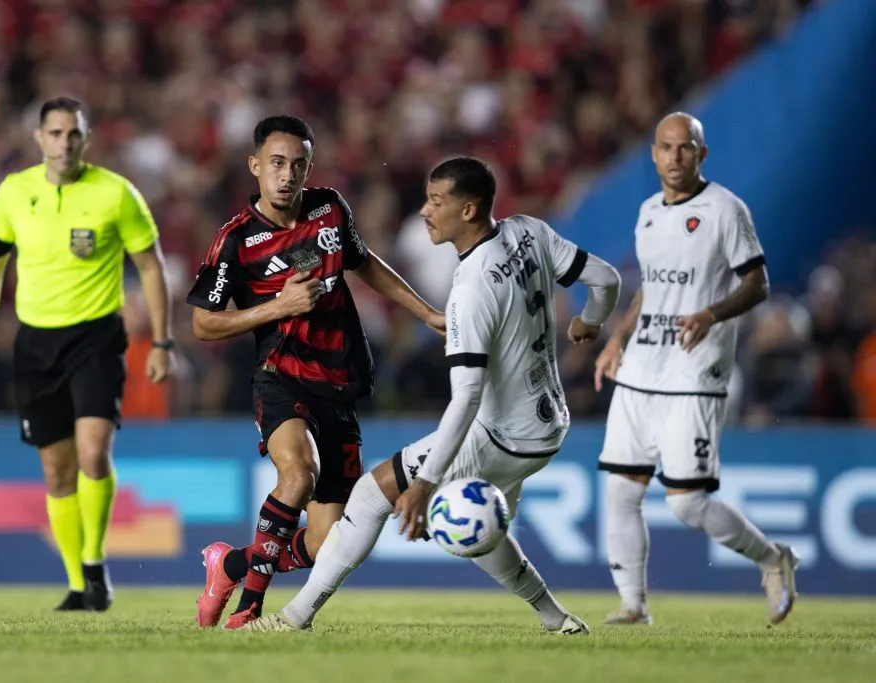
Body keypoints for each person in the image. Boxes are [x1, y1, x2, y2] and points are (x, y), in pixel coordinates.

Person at [241, 156, 621, 633]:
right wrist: (591, 320)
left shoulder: (471, 289)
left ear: (468, 210)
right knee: (476, 531)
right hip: (548, 426)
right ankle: (555, 618)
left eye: (436, 201)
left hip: (500, 433)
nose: (424, 210)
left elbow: (465, 399)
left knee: (369, 496)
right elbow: (606, 279)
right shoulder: (530, 231)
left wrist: (424, 483)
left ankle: (295, 617)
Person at [186, 115, 444, 629]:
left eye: (298, 165)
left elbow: (363, 261)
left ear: (309, 168)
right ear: (255, 165)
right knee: (298, 474)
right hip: (280, 376)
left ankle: (230, 564)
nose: (287, 175)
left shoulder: (328, 209)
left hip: (340, 380)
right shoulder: (234, 241)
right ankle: (250, 608)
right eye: (277, 164)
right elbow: (203, 323)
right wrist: (274, 309)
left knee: (331, 542)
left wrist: (426, 312)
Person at [0, 97, 173, 611]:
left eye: (72, 134)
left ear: (86, 138)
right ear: (39, 139)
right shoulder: (14, 193)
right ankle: (79, 583)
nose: (64, 143)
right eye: (54, 134)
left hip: (97, 337)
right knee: (56, 473)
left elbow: (150, 265)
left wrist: (163, 341)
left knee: (92, 453)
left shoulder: (115, 194)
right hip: (36, 344)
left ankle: (96, 564)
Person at [593, 112, 798, 626]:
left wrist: (710, 314)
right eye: (665, 147)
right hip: (641, 367)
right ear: (654, 153)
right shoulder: (646, 212)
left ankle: (774, 559)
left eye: (685, 148)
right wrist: (615, 338)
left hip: (694, 371)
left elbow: (758, 285)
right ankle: (634, 605)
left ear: (701, 154)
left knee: (687, 505)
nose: (675, 157)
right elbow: (651, 287)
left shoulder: (726, 210)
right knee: (619, 490)